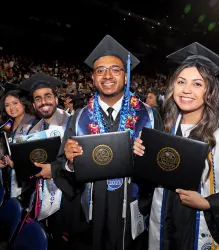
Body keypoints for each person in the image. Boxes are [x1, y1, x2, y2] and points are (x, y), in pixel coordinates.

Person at [133, 43, 219, 250]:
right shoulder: (164, 129)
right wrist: (142, 158)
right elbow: (148, 189)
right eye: (181, 82)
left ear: (210, 90)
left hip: (204, 230)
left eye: (197, 84)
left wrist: (210, 203)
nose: (186, 90)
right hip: (164, 230)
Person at [57, 35, 163, 250]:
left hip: (132, 208)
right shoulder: (78, 118)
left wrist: (147, 157)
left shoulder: (149, 116)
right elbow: (62, 168)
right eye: (100, 70)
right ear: (93, 78)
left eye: (115, 69)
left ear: (126, 76)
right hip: (91, 212)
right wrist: (69, 162)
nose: (107, 76)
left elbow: (160, 169)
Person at [18, 72, 71, 248]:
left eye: (48, 96)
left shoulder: (73, 123)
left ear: (56, 99)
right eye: (38, 99)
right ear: (34, 105)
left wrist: (54, 169)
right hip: (43, 194)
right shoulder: (34, 130)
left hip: (69, 199)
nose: (44, 102)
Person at [0, 89, 38, 203]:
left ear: (23, 103)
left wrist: (18, 164)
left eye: (15, 103)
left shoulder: (35, 124)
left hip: (27, 184)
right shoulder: (7, 125)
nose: (11, 108)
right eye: (7, 105)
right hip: (7, 178)